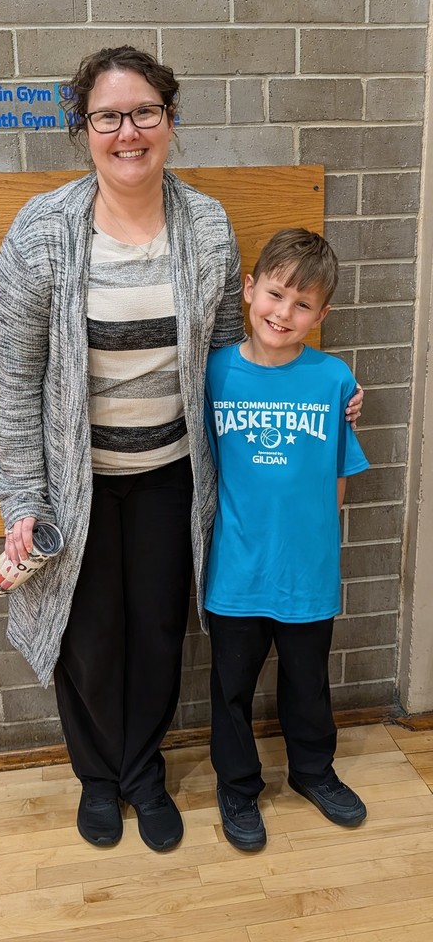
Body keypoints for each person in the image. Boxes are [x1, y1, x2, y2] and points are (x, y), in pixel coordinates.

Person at [0, 45, 363, 853]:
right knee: (88, 641)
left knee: (159, 632)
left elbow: (235, 362)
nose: (129, 131)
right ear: (83, 128)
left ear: (170, 120)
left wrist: (329, 393)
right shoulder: (40, 233)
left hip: (171, 476)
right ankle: (100, 778)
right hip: (77, 481)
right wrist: (25, 501)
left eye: (145, 112)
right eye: (108, 116)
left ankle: (144, 774)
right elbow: (16, 386)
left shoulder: (206, 226)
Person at [203, 228, 369, 853]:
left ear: (322, 315)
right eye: (275, 294)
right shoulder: (214, 371)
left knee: (309, 682)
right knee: (231, 689)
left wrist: (321, 551)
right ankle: (238, 787)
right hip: (237, 571)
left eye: (303, 305)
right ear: (249, 291)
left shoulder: (332, 378)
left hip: (307, 572)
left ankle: (312, 771)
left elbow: (335, 474)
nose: (284, 313)